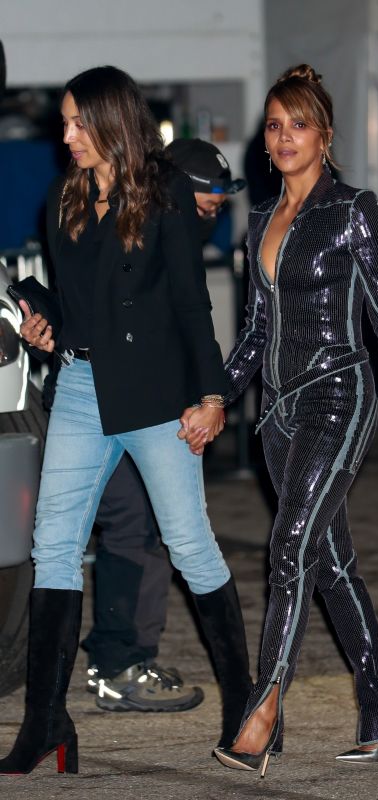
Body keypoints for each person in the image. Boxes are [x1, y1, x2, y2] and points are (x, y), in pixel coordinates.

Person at [0, 65, 251, 777]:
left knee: (189, 544)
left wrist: (211, 393)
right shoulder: (63, 197)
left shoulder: (166, 198)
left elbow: (190, 303)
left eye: (80, 121)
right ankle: (46, 722)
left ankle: (247, 708)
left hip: (157, 396)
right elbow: (79, 304)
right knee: (53, 547)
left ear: (113, 123)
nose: (67, 134)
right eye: (67, 121)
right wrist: (45, 320)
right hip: (81, 385)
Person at [190, 64, 378, 776]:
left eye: (298, 124)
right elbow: (254, 332)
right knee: (328, 564)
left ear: (324, 136)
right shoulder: (261, 222)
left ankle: (262, 711)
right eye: (274, 125)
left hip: (338, 397)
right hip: (277, 415)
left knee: (288, 548)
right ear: (264, 144)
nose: (285, 136)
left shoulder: (354, 210)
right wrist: (220, 397)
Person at [79, 138, 247, 714]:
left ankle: (122, 659)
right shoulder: (134, 233)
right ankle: (117, 664)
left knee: (146, 529)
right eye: (206, 205)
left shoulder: (169, 236)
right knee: (131, 527)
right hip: (109, 406)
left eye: (220, 207)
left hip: (149, 407)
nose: (213, 216)